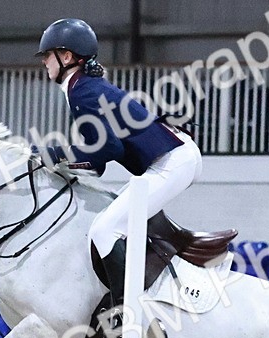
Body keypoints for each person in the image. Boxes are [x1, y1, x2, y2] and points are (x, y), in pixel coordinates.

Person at [33, 18, 203, 312]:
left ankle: (130, 310)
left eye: (47, 55)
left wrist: (54, 154)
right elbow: (97, 162)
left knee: (104, 229)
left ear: (67, 57)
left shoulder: (81, 91)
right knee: (110, 221)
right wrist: (60, 158)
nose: (44, 62)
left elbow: (107, 149)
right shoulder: (83, 86)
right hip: (172, 158)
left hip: (173, 162)